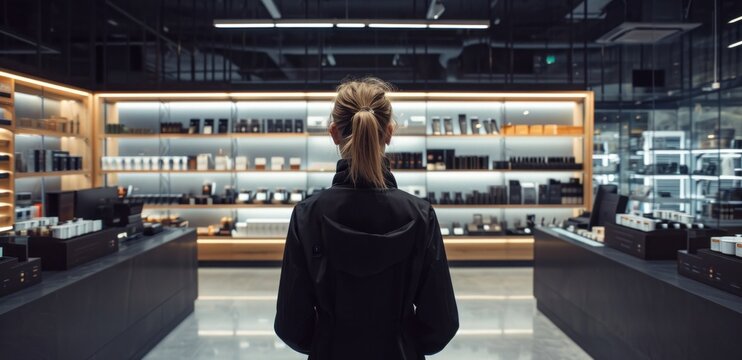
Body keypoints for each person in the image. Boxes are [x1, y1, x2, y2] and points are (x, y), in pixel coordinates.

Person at [274, 77, 459, 360]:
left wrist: (328, 340)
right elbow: (442, 323)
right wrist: (405, 341)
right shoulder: (421, 215)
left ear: (334, 133)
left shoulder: (307, 215)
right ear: (389, 132)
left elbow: (291, 324)